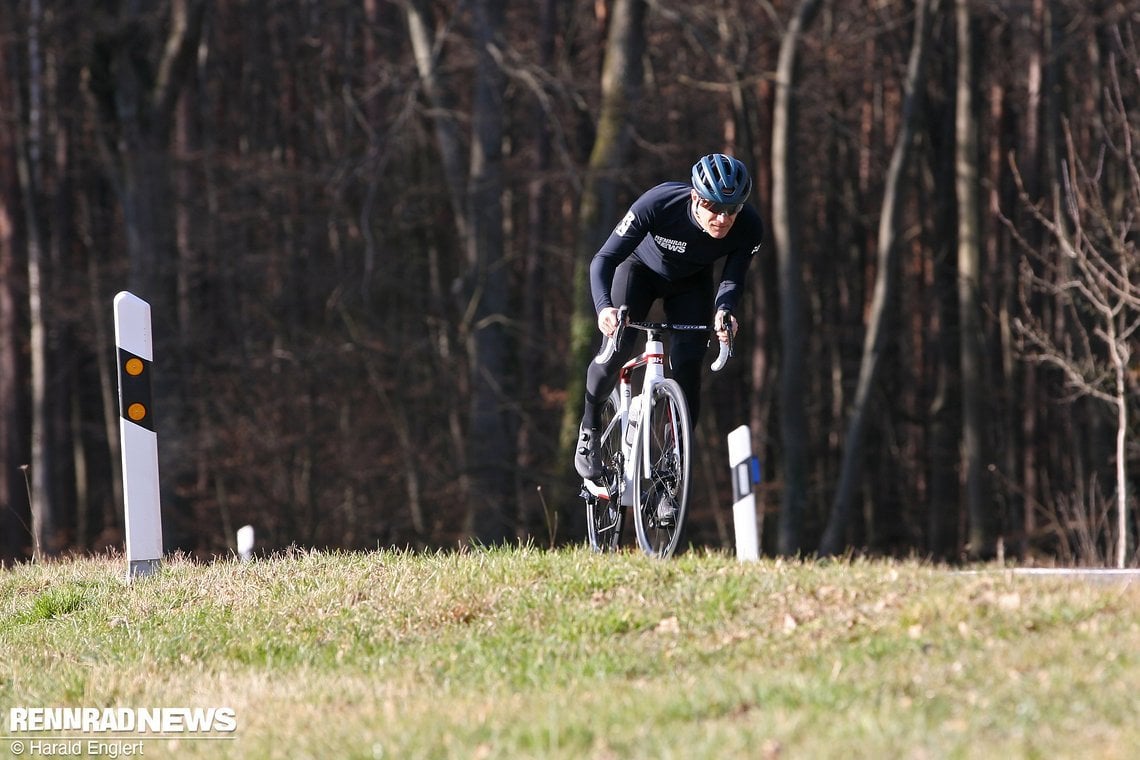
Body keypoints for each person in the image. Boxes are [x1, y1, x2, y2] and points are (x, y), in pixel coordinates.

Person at [575, 153, 765, 481]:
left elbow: (733, 279)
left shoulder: (749, 226)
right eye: (714, 208)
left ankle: (672, 469)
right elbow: (603, 259)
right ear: (695, 197)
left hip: (691, 284)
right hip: (639, 272)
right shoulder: (659, 202)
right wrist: (604, 307)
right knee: (617, 349)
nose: (722, 218)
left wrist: (725, 312)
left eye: (732, 209)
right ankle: (589, 431)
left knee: (689, 365)